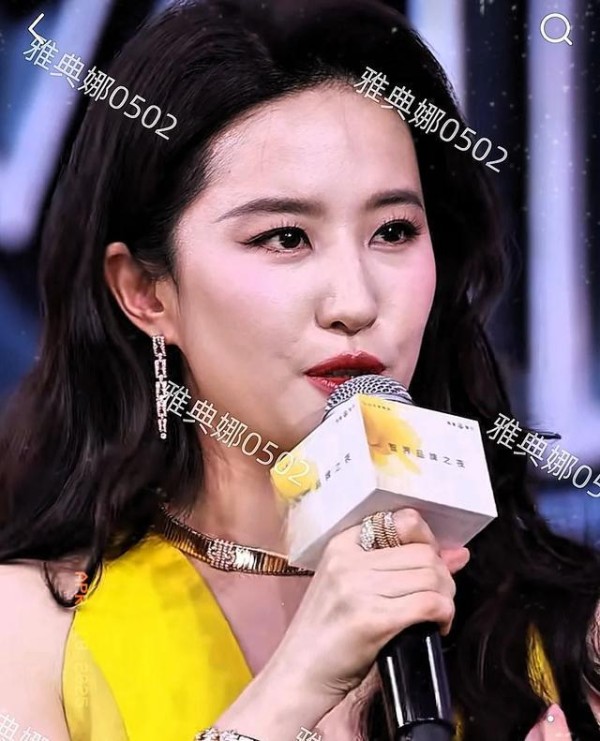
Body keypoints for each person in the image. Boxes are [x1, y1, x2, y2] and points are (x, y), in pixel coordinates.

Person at [0, 0, 599, 739]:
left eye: (394, 231)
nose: (355, 302)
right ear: (146, 292)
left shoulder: (568, 637)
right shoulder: (32, 632)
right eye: (285, 237)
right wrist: (296, 684)